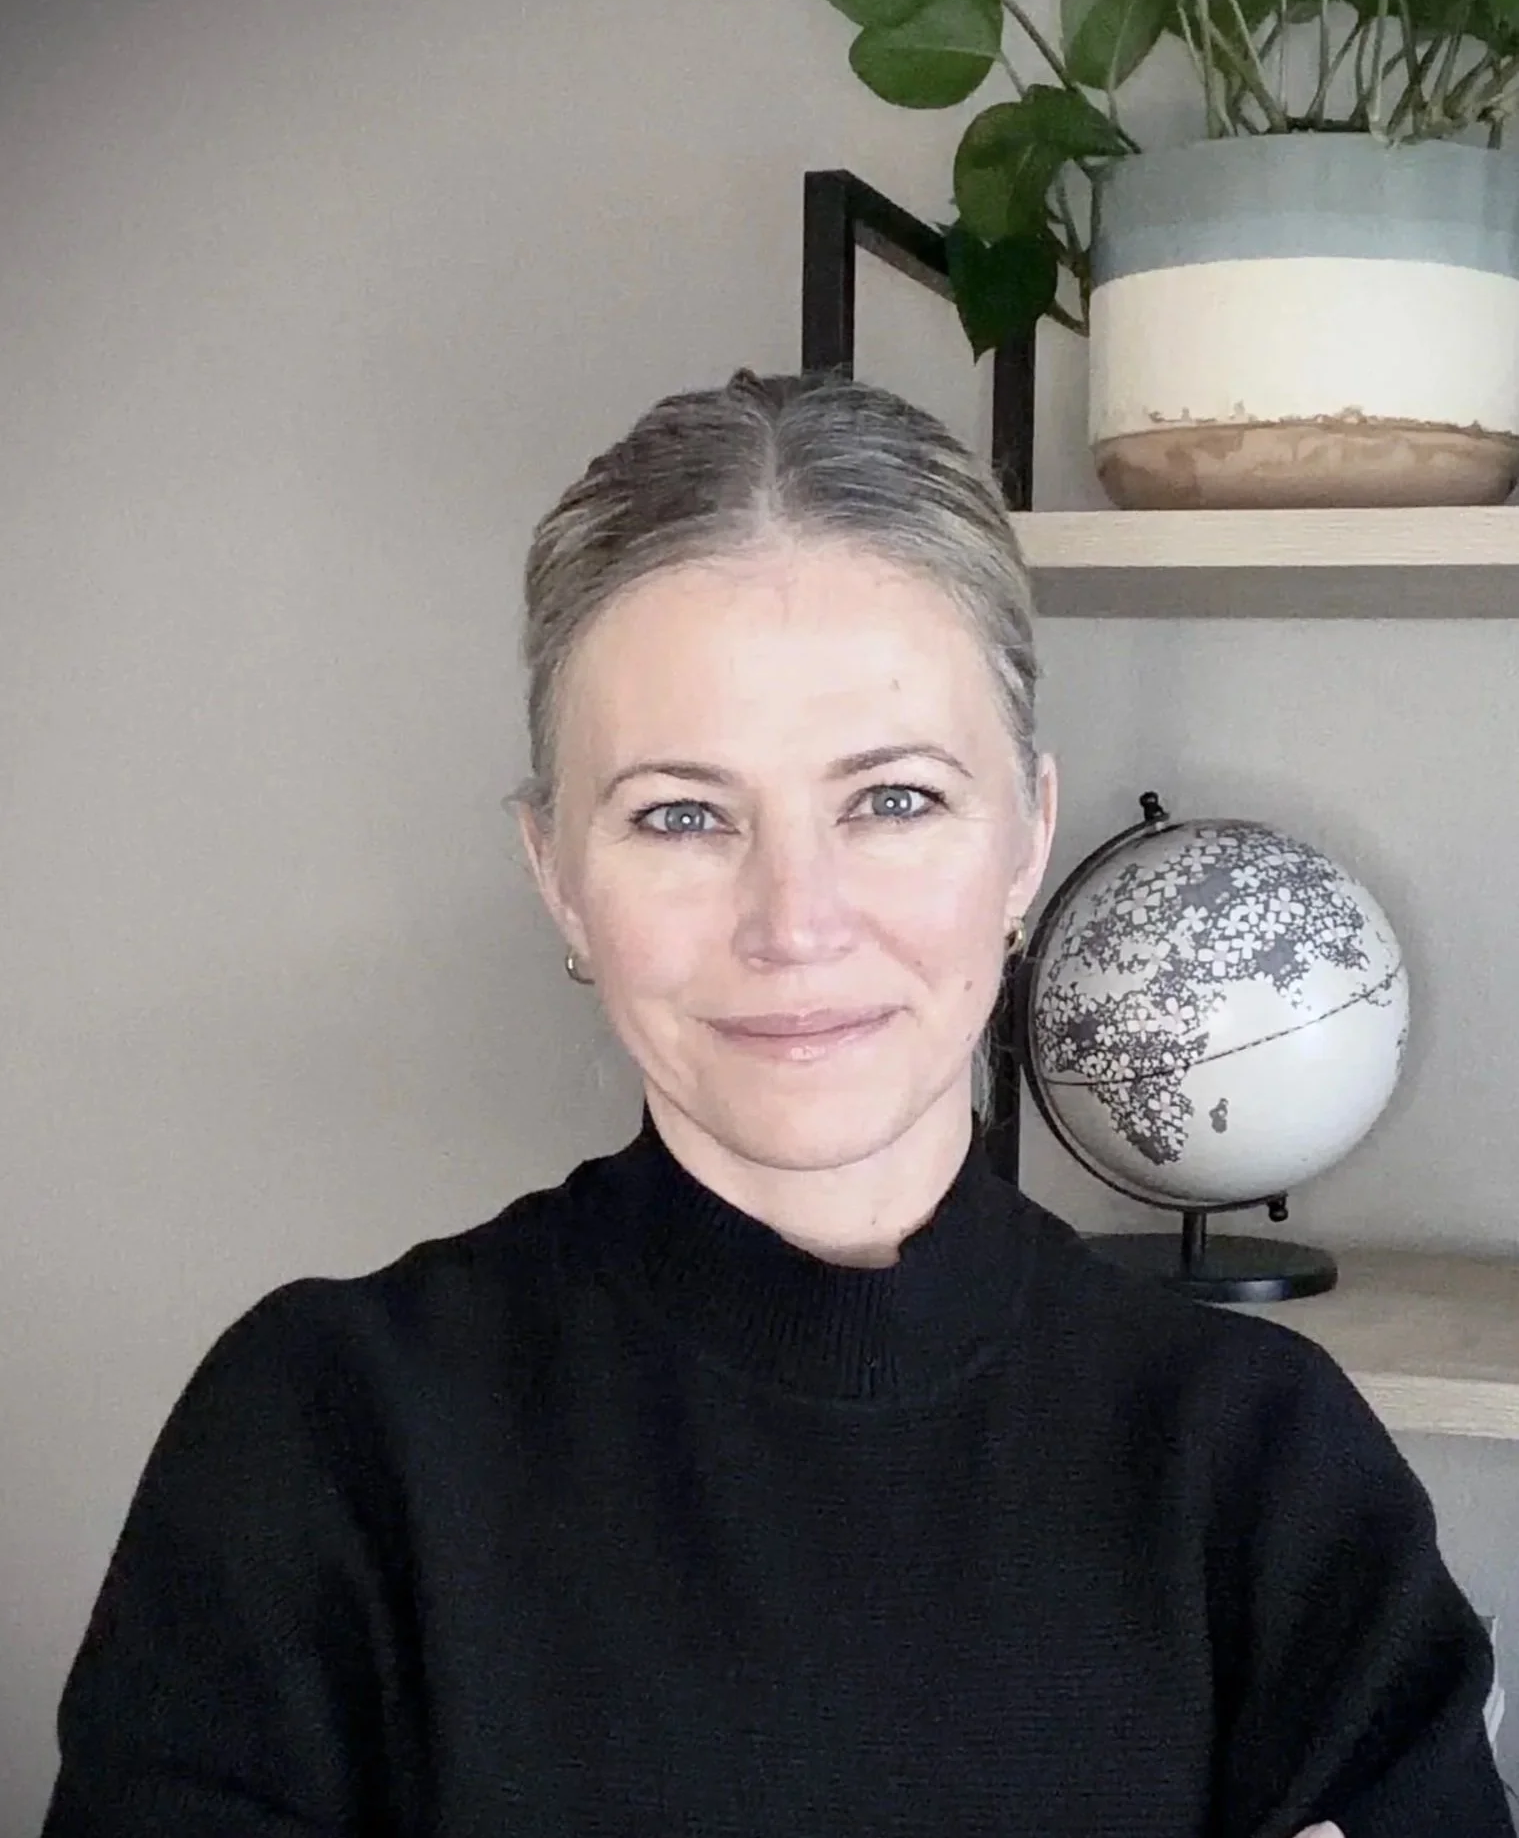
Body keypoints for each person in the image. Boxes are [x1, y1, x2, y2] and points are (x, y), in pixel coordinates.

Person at [42, 372, 1509, 1838]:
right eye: (681, 815)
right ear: (556, 873)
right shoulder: (328, 1436)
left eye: (893, 800)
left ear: (1026, 842)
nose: (794, 922)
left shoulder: (1261, 1466)